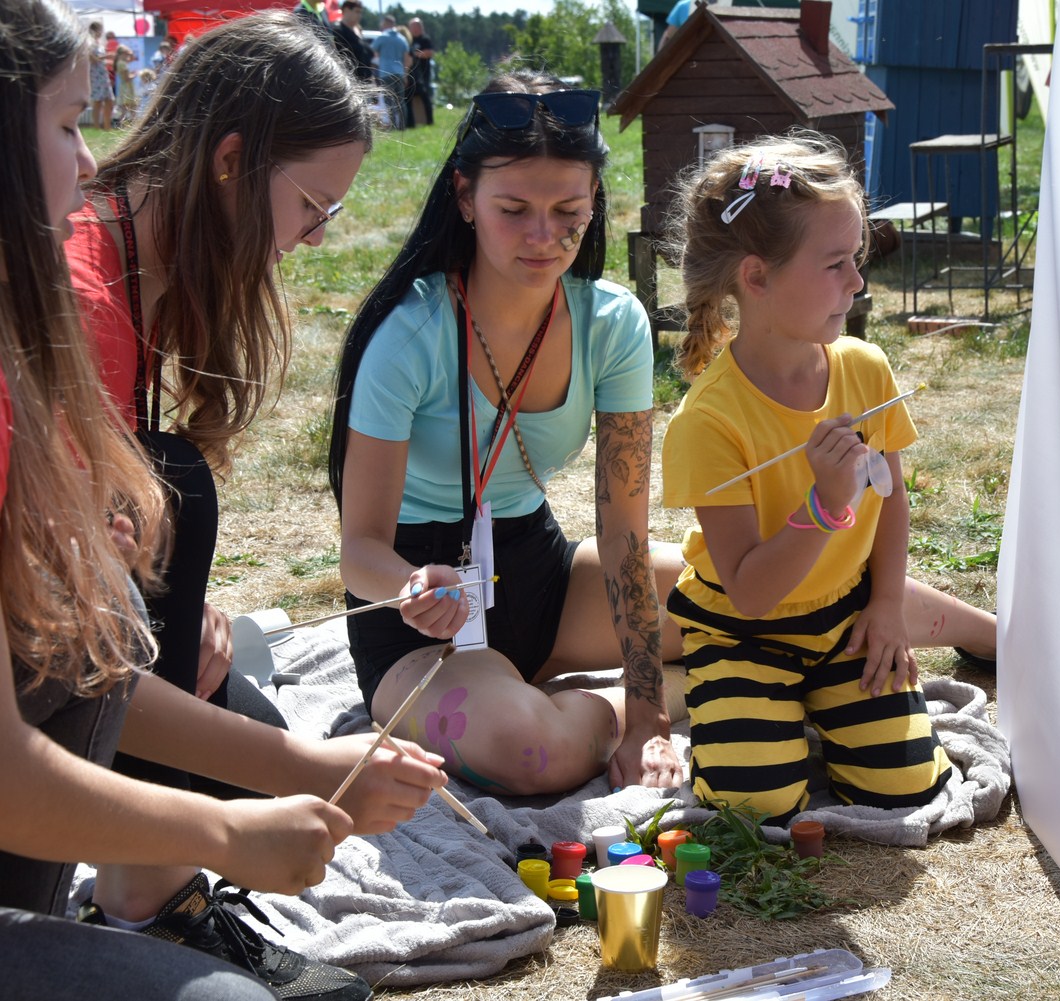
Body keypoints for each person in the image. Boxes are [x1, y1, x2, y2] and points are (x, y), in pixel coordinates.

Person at [0, 2, 446, 999]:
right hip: (29, 751)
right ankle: (141, 899)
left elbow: (86, 613)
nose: (316, 241)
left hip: (54, 708)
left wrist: (143, 601)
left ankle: (141, 893)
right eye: (313, 208)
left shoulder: (121, 283)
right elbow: (63, 648)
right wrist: (279, 786)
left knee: (223, 672)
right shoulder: (73, 301)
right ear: (234, 165)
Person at [330, 70, 688, 797]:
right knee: (532, 752)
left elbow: (624, 532)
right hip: (419, 625)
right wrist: (407, 585)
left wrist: (651, 714)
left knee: (755, 591)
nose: (544, 237)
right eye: (514, 209)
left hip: (539, 573)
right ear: (464, 197)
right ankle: (705, 688)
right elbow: (359, 551)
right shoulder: (411, 334)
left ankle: (975, 632)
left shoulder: (613, 323)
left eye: (569, 213)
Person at [658, 132, 999, 825]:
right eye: (836, 263)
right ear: (756, 278)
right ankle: (736, 697)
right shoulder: (707, 422)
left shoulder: (865, 370)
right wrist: (824, 503)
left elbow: (892, 499)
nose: (858, 281)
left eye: (858, 259)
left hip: (845, 619)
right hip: (742, 633)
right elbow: (751, 591)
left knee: (905, 787)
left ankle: (801, 713)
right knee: (752, 804)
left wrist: (882, 610)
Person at [369, 14, 407, 129]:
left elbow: (372, 51)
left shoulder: (382, 37)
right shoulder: (402, 38)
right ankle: (402, 126)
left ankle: (391, 126)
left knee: (389, 101)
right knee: (401, 101)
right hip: (399, 72)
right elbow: (405, 56)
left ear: (385, 23)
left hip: (386, 72)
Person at [328, 0, 373, 83]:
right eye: (356, 11)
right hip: (351, 81)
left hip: (367, 82)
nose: (359, 15)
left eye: (360, 12)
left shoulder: (359, 31)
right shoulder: (338, 31)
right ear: (346, 10)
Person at [406, 17, 434, 127]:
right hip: (411, 73)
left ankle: (429, 121)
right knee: (408, 97)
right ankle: (411, 123)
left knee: (425, 97)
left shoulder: (425, 39)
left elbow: (429, 53)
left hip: (423, 73)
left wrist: (415, 54)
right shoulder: (409, 40)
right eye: (411, 27)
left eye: (415, 27)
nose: (413, 29)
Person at [85, 19, 111, 128]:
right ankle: (96, 125)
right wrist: (107, 56)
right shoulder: (89, 43)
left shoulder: (99, 44)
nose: (101, 33)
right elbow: (92, 59)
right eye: (100, 30)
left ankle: (107, 125)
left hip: (103, 73)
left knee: (109, 100)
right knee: (97, 101)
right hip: (95, 75)